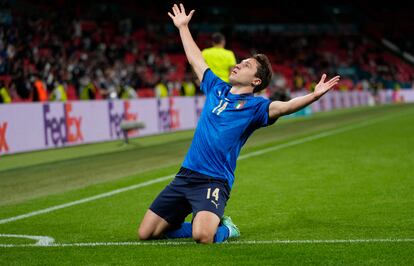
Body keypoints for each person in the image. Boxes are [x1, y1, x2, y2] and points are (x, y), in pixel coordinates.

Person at [138, 3, 340, 244]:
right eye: (240, 62)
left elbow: (284, 107)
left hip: (214, 180)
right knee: (147, 234)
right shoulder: (216, 88)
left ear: (256, 81)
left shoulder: (257, 108)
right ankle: (196, 222)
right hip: (186, 175)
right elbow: (196, 59)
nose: (238, 64)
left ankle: (226, 229)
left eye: (246, 65)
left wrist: (314, 96)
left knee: (203, 236)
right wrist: (183, 27)